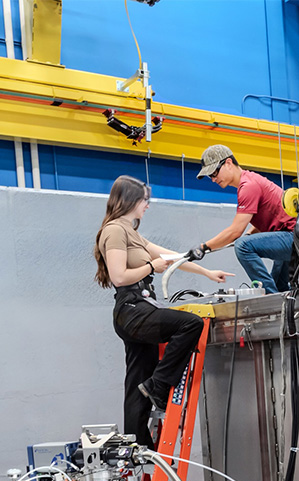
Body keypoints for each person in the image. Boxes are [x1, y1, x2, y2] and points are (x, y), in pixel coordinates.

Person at [94, 175, 232, 449]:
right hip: (132, 308)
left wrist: (205, 271)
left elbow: (170, 257)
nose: (147, 205)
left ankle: (137, 445)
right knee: (191, 325)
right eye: (145, 200)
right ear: (130, 200)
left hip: (137, 308)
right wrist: (150, 267)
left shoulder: (131, 233)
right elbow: (119, 277)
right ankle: (159, 386)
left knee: (137, 379)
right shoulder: (114, 231)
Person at [187, 145, 299, 293]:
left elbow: (235, 232)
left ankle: (269, 298)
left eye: (214, 172)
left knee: (242, 246)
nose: (213, 179)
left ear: (228, 163)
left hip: (298, 239)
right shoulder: (251, 181)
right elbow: (272, 215)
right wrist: (250, 234)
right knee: (280, 288)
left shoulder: (248, 186)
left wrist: (203, 247)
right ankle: (285, 308)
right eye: (210, 176)